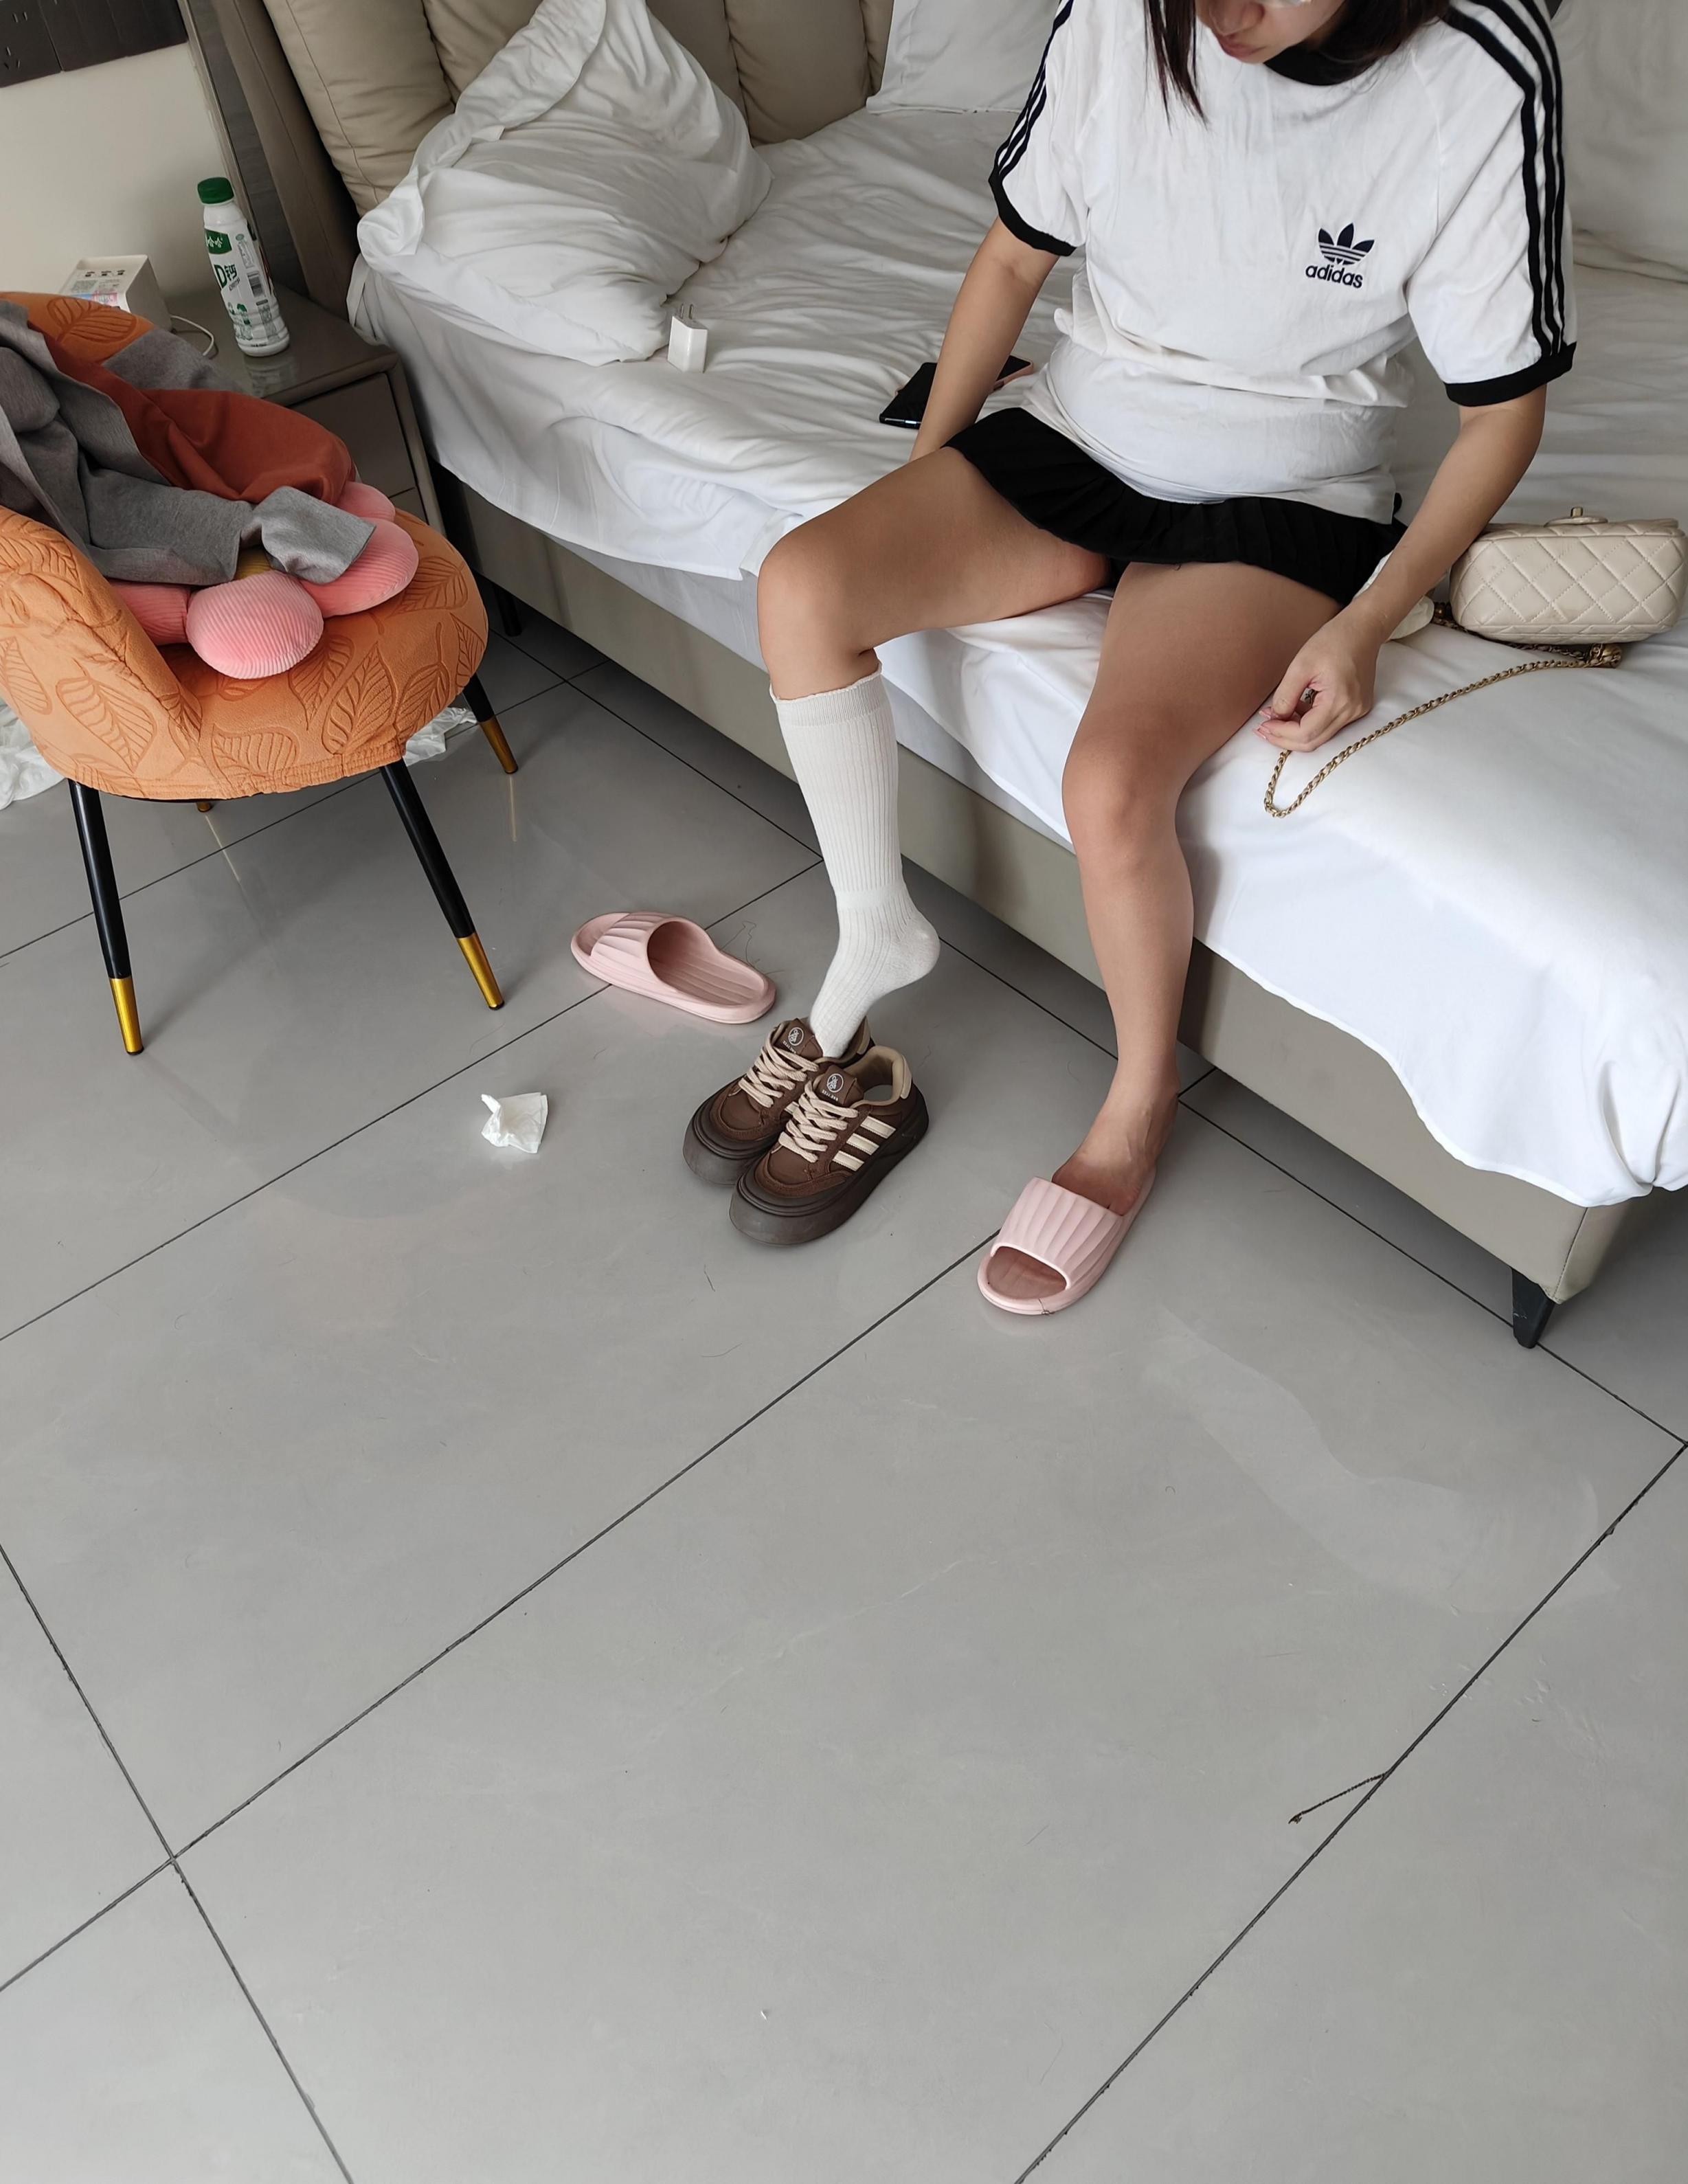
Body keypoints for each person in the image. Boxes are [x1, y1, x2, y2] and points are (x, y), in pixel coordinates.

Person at [686, 0, 1571, 1302]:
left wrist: (1366, 618)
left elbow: (1501, 417)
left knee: (1109, 784)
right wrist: (926, 484)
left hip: (1284, 485)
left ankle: (1140, 1099)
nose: (1225, 11)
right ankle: (873, 931)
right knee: (803, 583)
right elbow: (1011, 262)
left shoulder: (1482, 60)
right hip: (1079, 426)